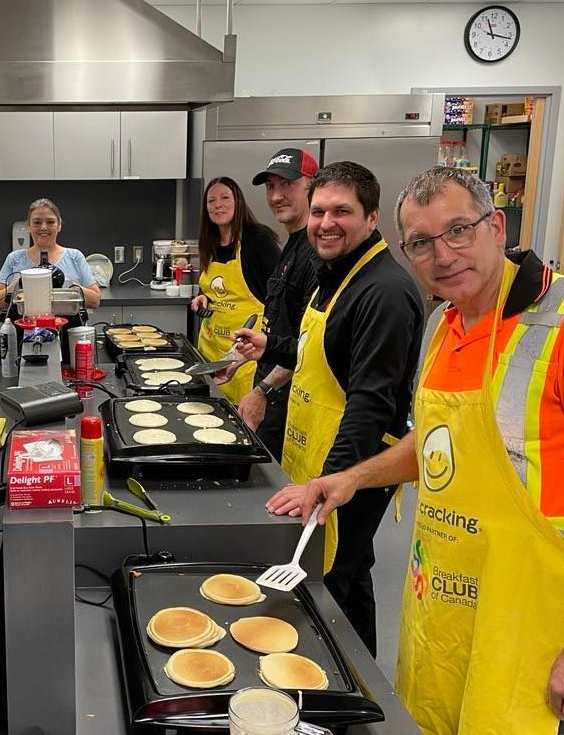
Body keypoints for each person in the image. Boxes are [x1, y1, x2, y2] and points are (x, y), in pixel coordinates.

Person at [291, 166, 564, 734]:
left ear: (497, 225)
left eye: (458, 230)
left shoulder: (554, 327)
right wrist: (353, 479)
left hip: (528, 625)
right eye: (422, 242)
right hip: (438, 602)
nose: (443, 255)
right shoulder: (444, 322)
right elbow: (442, 443)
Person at [238, 161, 424, 656]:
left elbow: (370, 402)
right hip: (317, 453)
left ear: (372, 218)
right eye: (319, 210)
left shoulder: (383, 291)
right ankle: (360, 681)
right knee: (349, 571)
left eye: (342, 211)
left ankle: (337, 686)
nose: (326, 222)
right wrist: (271, 345)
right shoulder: (335, 275)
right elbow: (317, 353)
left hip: (354, 467)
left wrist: (330, 485)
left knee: (333, 581)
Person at [230, 148, 320, 461]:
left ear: (313, 186)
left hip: (288, 404)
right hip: (270, 394)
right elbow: (279, 327)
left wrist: (262, 391)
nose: (277, 196)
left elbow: (306, 347)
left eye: (287, 185)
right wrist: (237, 359)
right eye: (271, 187)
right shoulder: (292, 245)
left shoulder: (315, 256)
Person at [190, 176, 280, 404]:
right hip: (211, 349)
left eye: (224, 198)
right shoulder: (209, 242)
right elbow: (215, 289)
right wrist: (204, 298)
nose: (217, 204)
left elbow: (280, 294)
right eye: (211, 200)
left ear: (238, 201)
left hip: (245, 354)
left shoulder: (258, 240)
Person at [0, 197, 101, 314]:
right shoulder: (14, 259)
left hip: (69, 328)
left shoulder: (75, 257)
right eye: (37, 222)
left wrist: (70, 285)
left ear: (59, 226)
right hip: (25, 328)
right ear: (29, 226)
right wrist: (19, 283)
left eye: (50, 222)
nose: (43, 227)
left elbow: (95, 301)